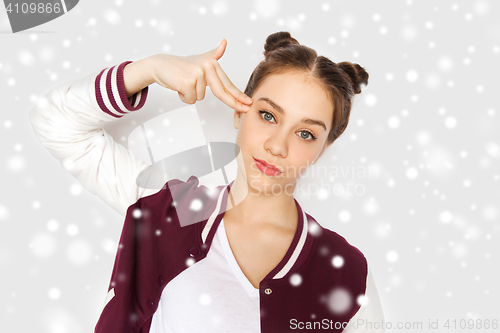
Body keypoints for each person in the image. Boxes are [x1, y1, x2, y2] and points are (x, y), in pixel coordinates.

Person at [29, 31, 385, 332]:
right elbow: (54, 122)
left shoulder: (348, 273)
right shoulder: (173, 210)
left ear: (324, 148)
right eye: (267, 115)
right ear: (238, 111)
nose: (277, 145)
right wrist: (149, 69)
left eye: (305, 134)